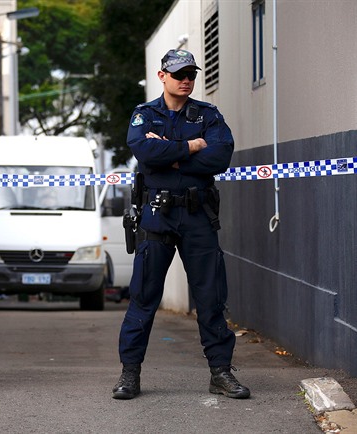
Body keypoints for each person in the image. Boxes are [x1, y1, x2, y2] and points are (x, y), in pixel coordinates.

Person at [112, 49, 250, 400]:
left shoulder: (207, 114)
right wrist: (190, 147)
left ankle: (220, 373)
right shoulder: (145, 115)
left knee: (211, 295)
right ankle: (130, 375)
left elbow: (220, 156)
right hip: (157, 215)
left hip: (197, 215)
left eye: (191, 74)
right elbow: (144, 154)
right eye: (179, 74)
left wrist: (171, 158)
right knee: (143, 297)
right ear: (162, 76)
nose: (186, 80)